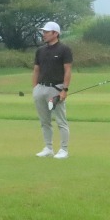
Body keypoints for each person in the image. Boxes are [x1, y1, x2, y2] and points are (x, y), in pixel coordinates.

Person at [31, 20, 72, 159]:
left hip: (55, 90)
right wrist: (35, 88)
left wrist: (64, 89)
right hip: (41, 89)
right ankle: (48, 148)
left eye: (47, 32)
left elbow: (67, 70)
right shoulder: (40, 50)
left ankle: (64, 150)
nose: (44, 34)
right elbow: (36, 70)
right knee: (45, 121)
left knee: (60, 121)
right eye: (44, 32)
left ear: (55, 33)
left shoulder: (64, 49)